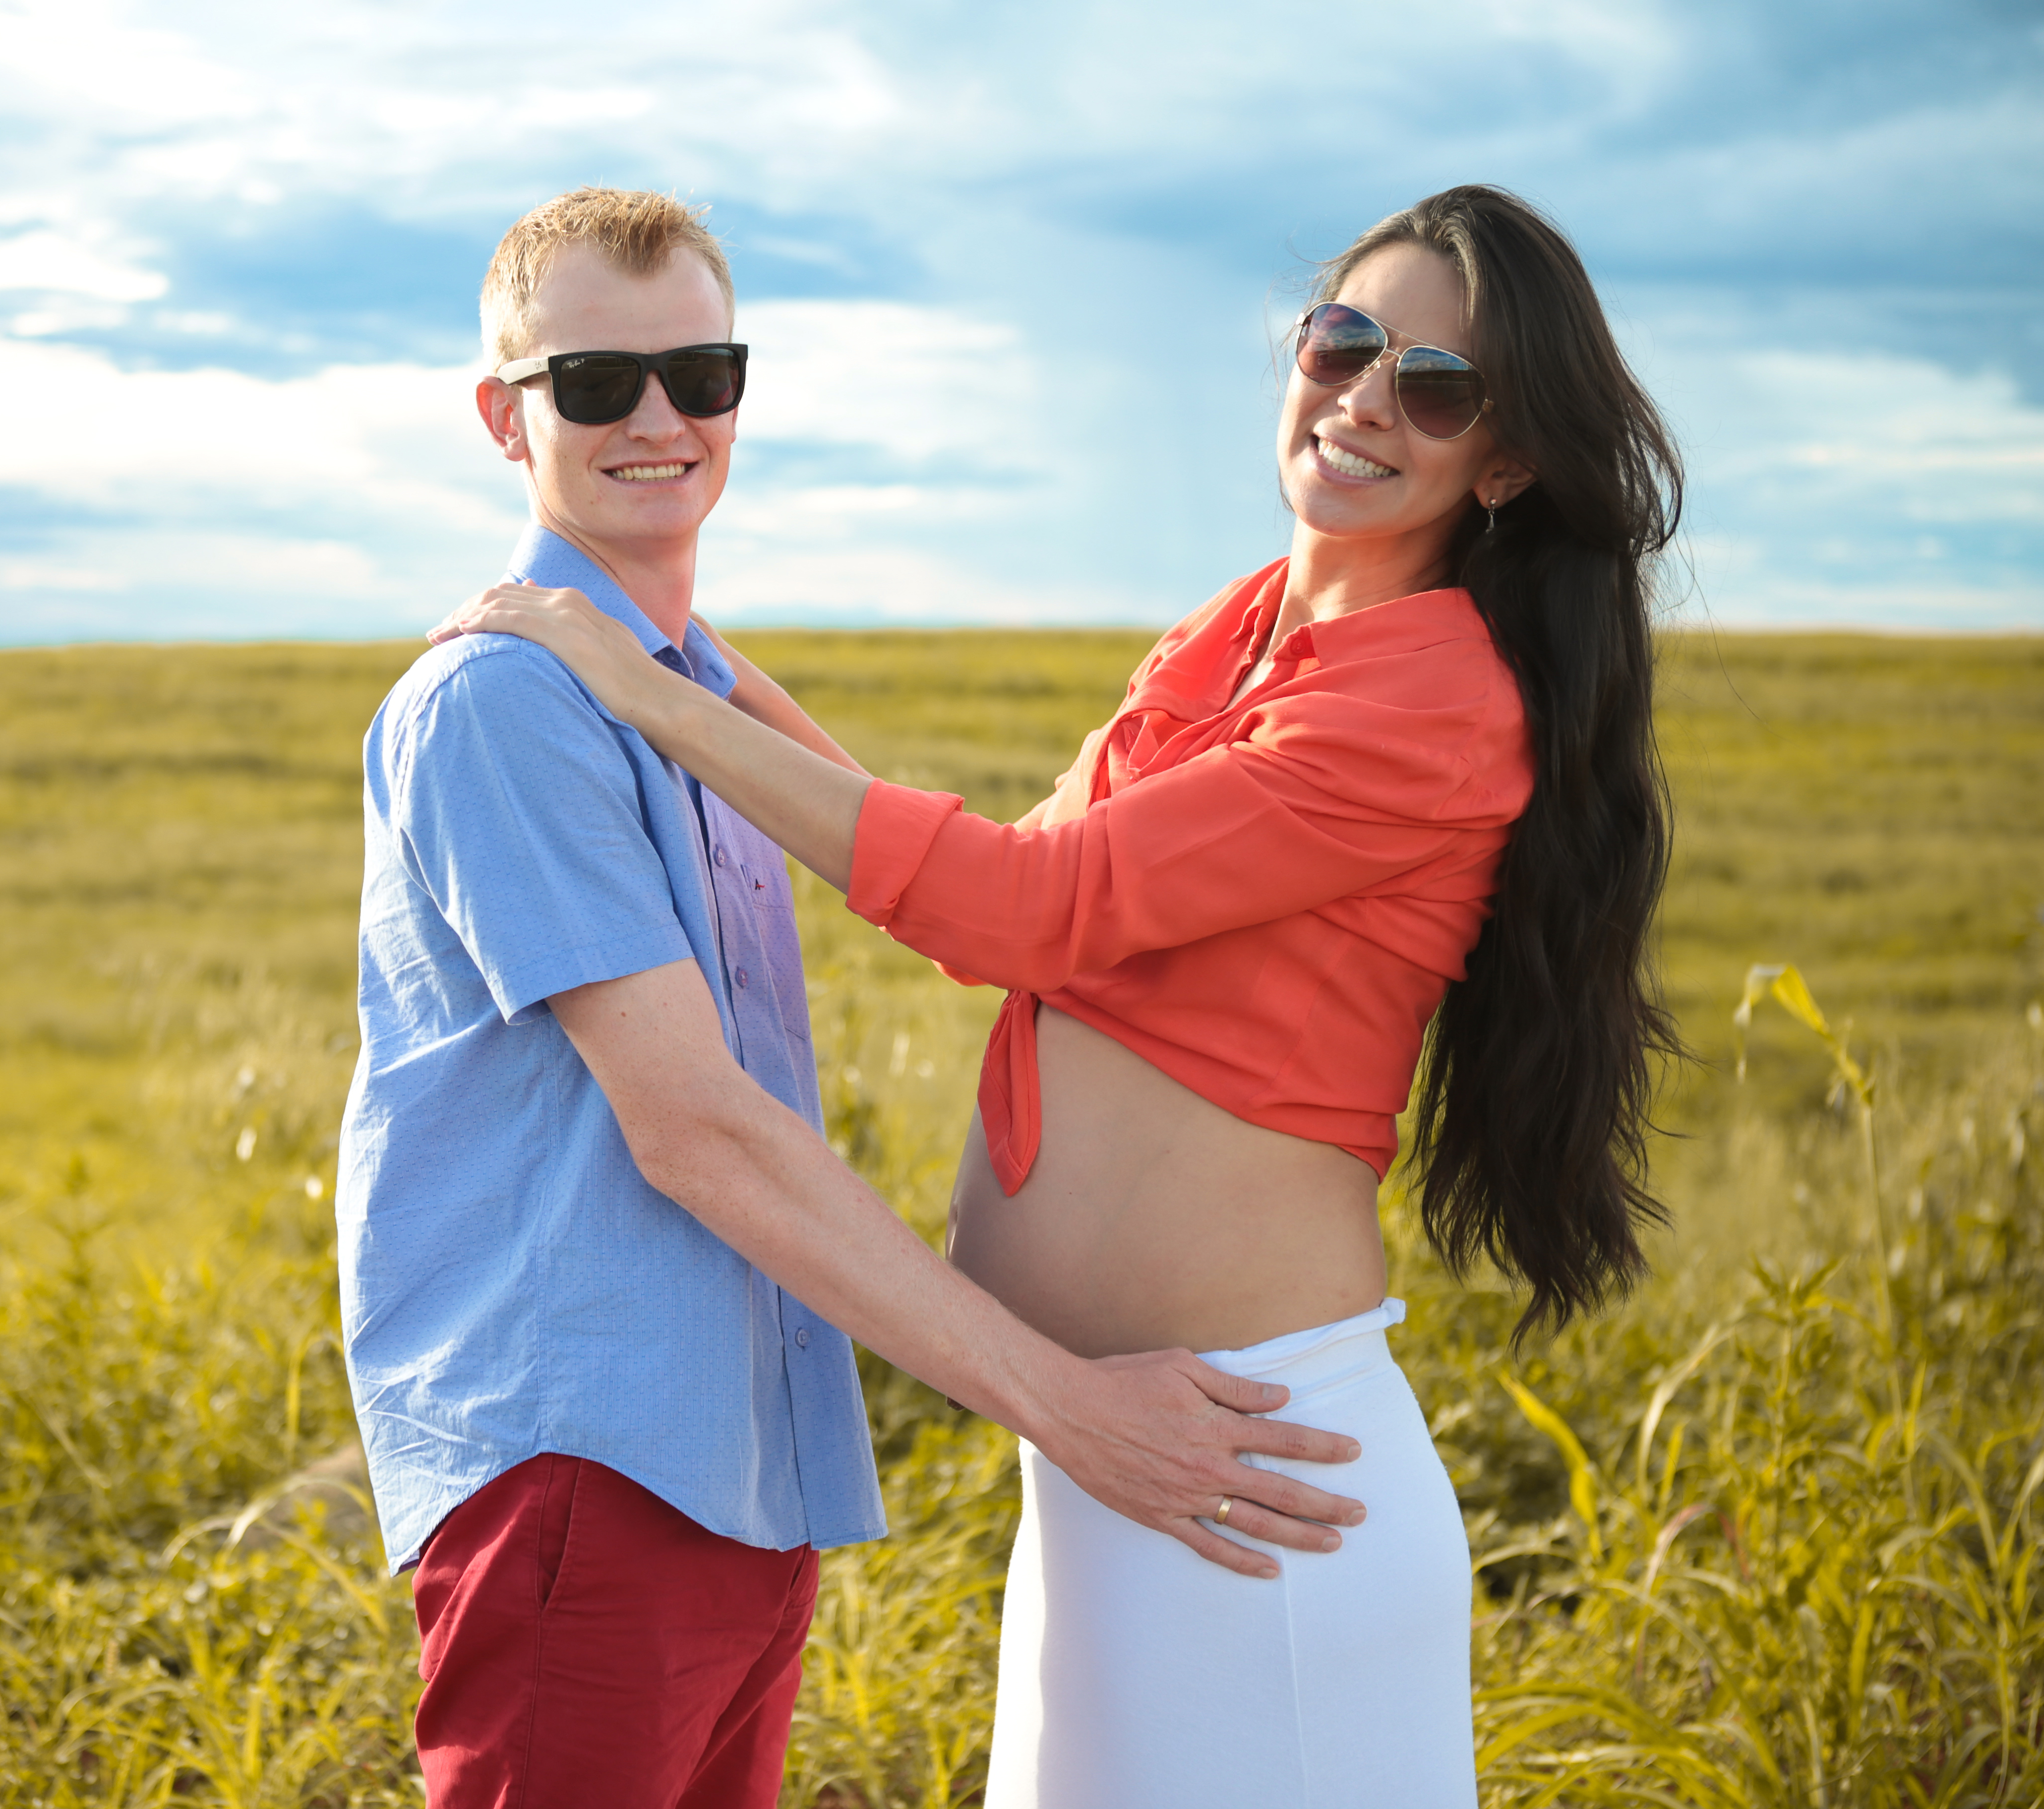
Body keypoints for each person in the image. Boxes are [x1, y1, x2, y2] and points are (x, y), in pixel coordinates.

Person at [431, 184, 1684, 1807]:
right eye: (1346, 342)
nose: (1370, 399)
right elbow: (994, 894)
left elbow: (1030, 908)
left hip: (1249, 1471)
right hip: (1111, 1460)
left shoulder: (1435, 696)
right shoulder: (1234, 633)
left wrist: (648, 690)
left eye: (1437, 388)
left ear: (1502, 461)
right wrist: (684, 658)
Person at [338, 186, 1370, 1809]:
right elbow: (698, 1135)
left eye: (703, 373)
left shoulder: (678, 701)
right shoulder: (509, 704)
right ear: (503, 417)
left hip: (740, 1472)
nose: (660, 419)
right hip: (584, 1474)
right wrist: (1070, 1409)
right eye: (596, 385)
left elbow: (963, 882)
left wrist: (699, 662)